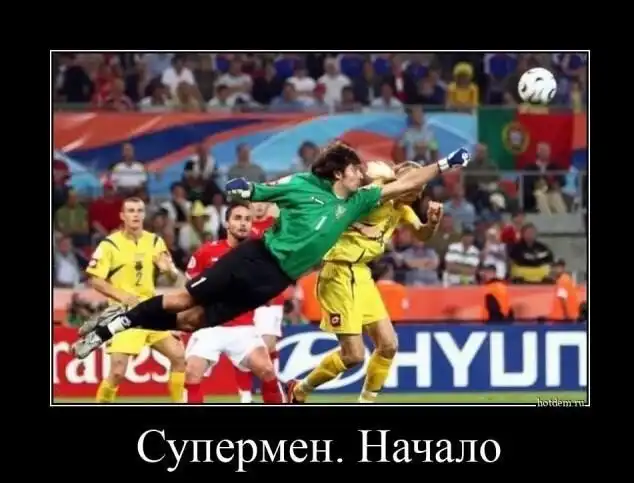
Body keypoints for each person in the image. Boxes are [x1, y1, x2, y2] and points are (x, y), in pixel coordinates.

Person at [73, 142, 471, 359]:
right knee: (184, 299)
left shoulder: (359, 201)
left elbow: (405, 184)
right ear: (339, 173)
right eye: (355, 169)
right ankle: (108, 329)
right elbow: (260, 192)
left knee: (193, 322)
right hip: (255, 257)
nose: (362, 173)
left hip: (275, 280)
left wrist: (445, 164)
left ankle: (125, 320)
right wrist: (244, 189)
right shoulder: (303, 186)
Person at [287, 161, 443, 404]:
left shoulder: (402, 209)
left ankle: (366, 402)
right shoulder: (373, 197)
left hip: (362, 275)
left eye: (420, 188)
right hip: (337, 272)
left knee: (389, 345)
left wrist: (432, 223)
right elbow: (364, 176)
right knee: (353, 356)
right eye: (413, 185)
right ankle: (299, 389)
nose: (416, 192)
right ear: (397, 182)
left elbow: (421, 234)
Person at [84, 197, 186, 403]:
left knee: (178, 357)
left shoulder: (155, 241)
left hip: (150, 312)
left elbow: (174, 277)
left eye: (139, 210)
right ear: (122, 216)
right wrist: (122, 296)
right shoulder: (110, 245)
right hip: (124, 314)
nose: (136, 215)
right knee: (117, 372)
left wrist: (169, 271)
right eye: (131, 211)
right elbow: (95, 280)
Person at [183, 201, 284, 404]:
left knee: (267, 370)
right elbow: (189, 287)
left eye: (247, 219)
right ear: (227, 223)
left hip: (243, 328)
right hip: (210, 326)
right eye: (237, 218)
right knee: (192, 372)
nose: (243, 223)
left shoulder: (260, 255)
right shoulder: (207, 252)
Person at [233, 201, 286, 403]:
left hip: (271, 296)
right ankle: (245, 397)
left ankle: (272, 394)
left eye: (264, 202)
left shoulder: (277, 224)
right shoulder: (241, 226)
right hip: (244, 295)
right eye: (255, 202)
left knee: (268, 345)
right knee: (242, 346)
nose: (259, 206)